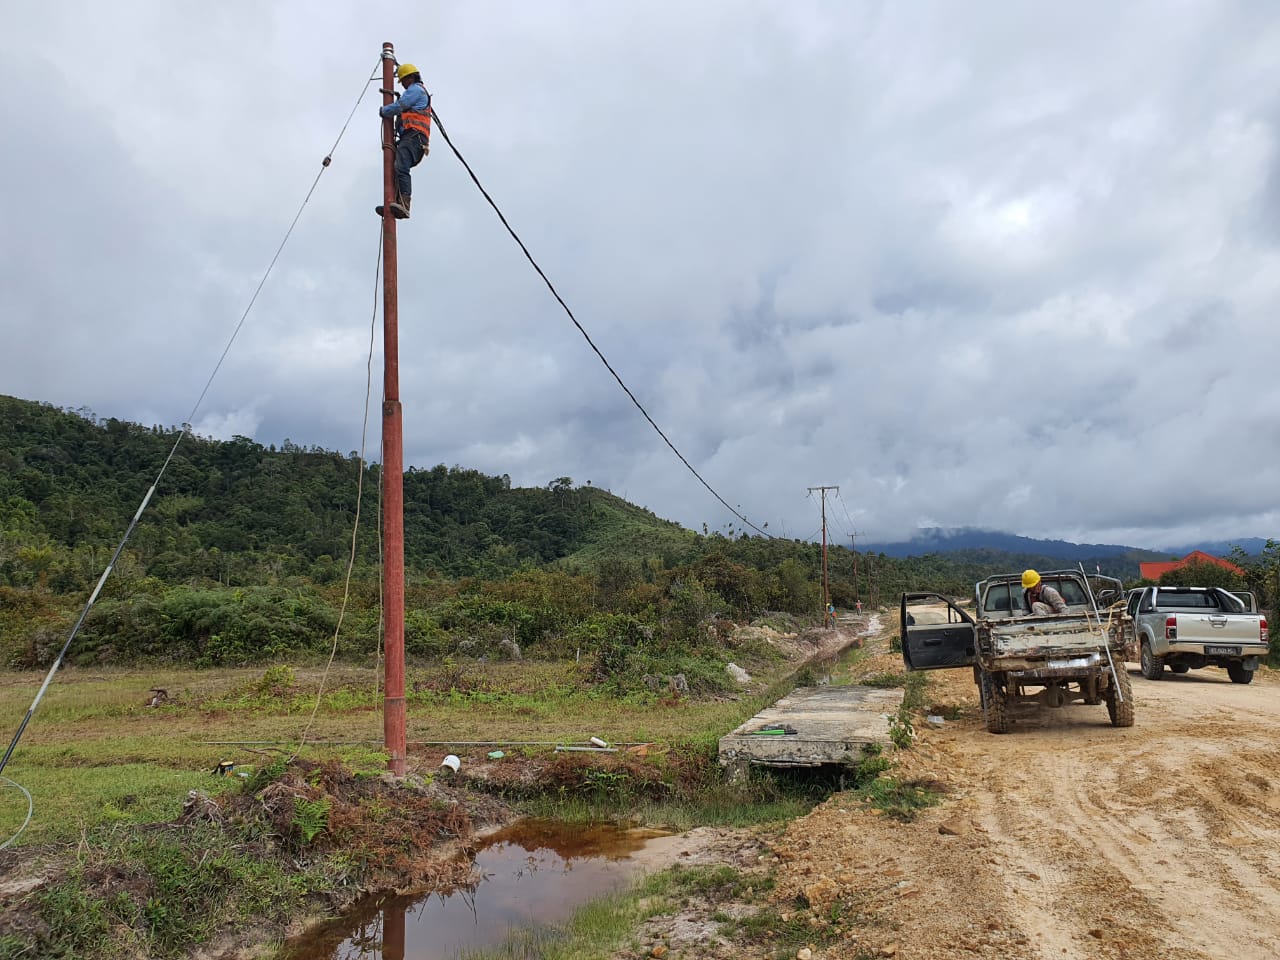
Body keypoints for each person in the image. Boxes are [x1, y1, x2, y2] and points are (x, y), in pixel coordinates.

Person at [376, 63, 431, 220]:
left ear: (410, 77)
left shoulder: (416, 90)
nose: (404, 85)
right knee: (396, 167)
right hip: (411, 138)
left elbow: (400, 106)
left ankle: (404, 205)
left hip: (414, 137)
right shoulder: (416, 91)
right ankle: (392, 203)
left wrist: (384, 111)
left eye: (404, 80)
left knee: (401, 167)